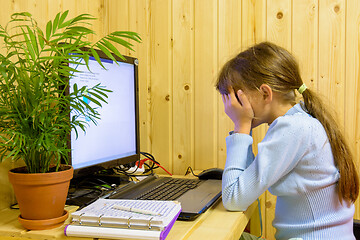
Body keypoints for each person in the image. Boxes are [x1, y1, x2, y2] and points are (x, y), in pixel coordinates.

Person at [216, 42, 359, 240]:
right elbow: (243, 188)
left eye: (237, 97)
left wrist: (241, 126)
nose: (232, 106)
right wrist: (244, 129)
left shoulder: (292, 130)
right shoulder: (302, 120)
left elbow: (233, 198)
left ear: (265, 93)